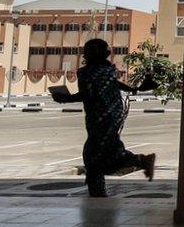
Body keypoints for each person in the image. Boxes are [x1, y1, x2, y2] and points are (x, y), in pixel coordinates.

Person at [51, 38, 156, 197]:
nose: (84, 53)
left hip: (100, 116)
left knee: (94, 154)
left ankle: (140, 162)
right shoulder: (108, 69)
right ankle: (99, 190)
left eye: (87, 50)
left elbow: (89, 94)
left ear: (94, 53)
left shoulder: (87, 72)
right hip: (114, 113)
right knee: (101, 151)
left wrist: (65, 98)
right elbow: (116, 84)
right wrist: (135, 89)